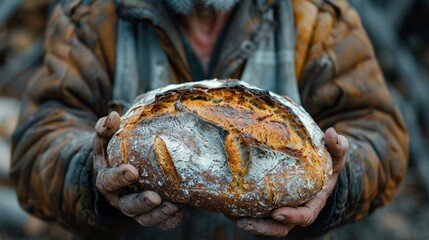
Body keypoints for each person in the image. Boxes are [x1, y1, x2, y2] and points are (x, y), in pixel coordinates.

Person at [10, 0, 409, 239]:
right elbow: (36, 147)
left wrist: (337, 184)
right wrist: (91, 177)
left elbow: (380, 134)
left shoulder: (317, 19)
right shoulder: (92, 17)